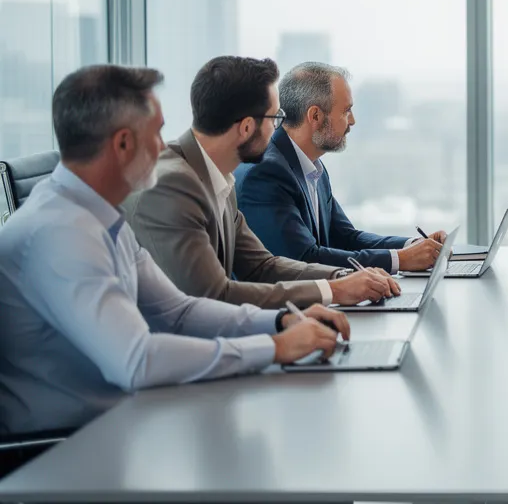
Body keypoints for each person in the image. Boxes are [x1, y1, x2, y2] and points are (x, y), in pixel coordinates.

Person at [0, 65, 348, 436]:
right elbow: (137, 359)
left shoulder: (99, 218)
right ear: (122, 144)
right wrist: (273, 348)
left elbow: (178, 311)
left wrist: (279, 322)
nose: (163, 147)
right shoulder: (61, 231)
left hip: (118, 426)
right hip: (64, 454)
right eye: (156, 133)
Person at [124, 57, 399, 309]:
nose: (280, 128)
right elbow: (212, 296)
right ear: (246, 127)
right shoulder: (171, 185)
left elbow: (261, 266)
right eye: (276, 117)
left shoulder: (219, 176)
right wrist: (333, 291)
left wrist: (343, 276)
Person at [236, 62, 448, 273]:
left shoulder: (312, 166)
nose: (353, 121)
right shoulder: (266, 174)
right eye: (347, 111)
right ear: (315, 116)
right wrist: (400, 260)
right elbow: (304, 259)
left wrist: (414, 246)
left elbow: (345, 237)